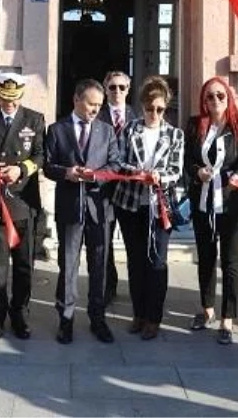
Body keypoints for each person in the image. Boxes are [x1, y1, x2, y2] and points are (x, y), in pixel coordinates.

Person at [44, 79, 121, 345]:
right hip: (69, 207)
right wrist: (66, 173)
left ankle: (98, 317)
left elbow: (115, 165)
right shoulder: (56, 129)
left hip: (99, 208)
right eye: (90, 104)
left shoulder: (106, 131)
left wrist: (95, 176)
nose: (95, 110)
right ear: (76, 99)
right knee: (68, 263)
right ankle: (65, 319)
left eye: (99, 106)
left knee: (99, 264)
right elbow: (47, 165)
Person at [0, 72, 45, 341]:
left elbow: (40, 155)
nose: (9, 103)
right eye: (4, 97)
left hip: (24, 202)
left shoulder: (34, 119)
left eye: (14, 98)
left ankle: (20, 314)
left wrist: (21, 169)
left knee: (24, 264)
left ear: (21, 95)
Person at [111, 76, 182, 341]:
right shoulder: (130, 129)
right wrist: (140, 173)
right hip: (130, 203)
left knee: (157, 262)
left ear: (166, 108)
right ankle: (138, 314)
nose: (154, 114)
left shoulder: (175, 134)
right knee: (136, 260)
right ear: (142, 106)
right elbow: (118, 161)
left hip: (160, 206)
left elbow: (176, 170)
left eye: (160, 109)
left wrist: (159, 177)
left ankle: (154, 317)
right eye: (150, 108)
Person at [185, 77, 238, 345]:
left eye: (220, 96)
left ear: (228, 98)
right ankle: (207, 308)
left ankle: (228, 318)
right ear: (203, 100)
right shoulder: (194, 125)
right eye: (210, 97)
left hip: (232, 203)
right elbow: (187, 160)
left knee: (231, 261)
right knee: (206, 257)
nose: (215, 101)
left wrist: (237, 176)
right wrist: (196, 172)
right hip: (203, 202)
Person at [97, 70, 137, 305]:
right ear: (106, 90)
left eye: (122, 87)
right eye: (112, 87)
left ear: (128, 90)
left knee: (133, 242)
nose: (117, 92)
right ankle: (107, 287)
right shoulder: (98, 115)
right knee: (104, 241)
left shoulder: (138, 115)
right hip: (105, 188)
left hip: (131, 190)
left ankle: (136, 291)